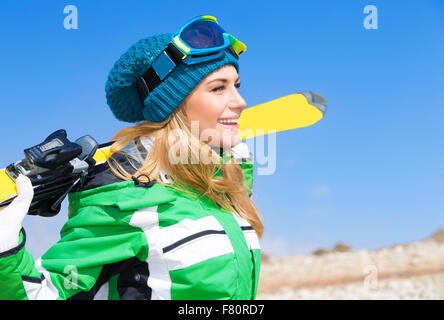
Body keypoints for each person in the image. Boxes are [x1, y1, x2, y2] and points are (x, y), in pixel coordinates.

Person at [0, 15, 263, 300]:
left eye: (237, 84)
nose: (240, 101)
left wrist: (230, 160)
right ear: (174, 105)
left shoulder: (221, 189)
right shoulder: (125, 201)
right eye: (218, 88)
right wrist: (5, 250)